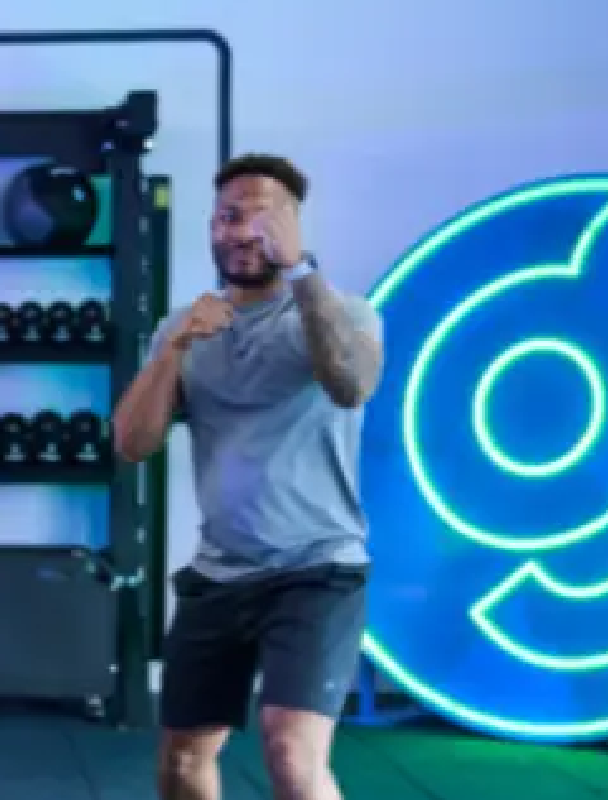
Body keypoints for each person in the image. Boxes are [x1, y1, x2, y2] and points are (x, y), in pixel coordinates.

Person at [112, 153, 381, 800]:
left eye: (263, 217)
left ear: (292, 229)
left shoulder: (345, 314)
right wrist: (176, 346)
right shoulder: (185, 326)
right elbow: (131, 443)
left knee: (290, 750)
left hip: (317, 568)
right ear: (211, 227)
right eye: (230, 217)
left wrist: (302, 273)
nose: (242, 232)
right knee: (182, 761)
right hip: (220, 573)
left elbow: (349, 384)